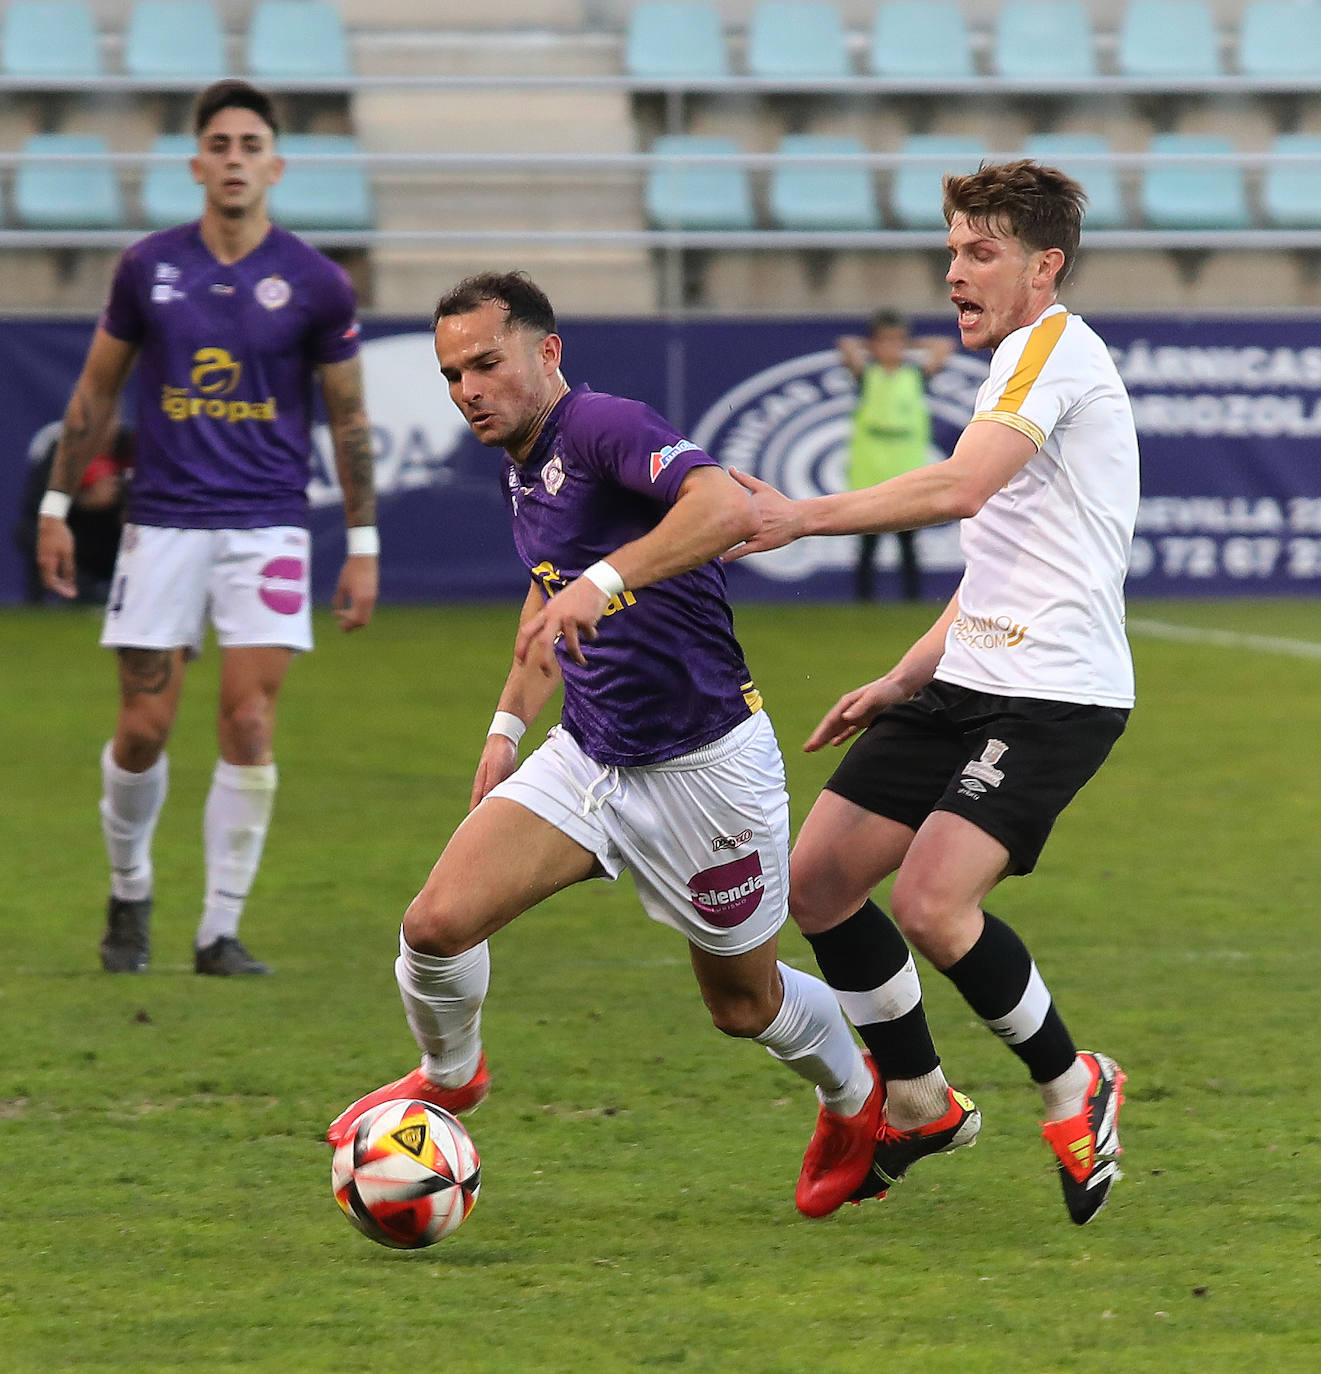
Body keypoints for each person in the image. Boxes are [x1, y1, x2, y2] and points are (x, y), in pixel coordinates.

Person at [326, 271, 884, 1219]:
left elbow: (723, 509)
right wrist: (508, 729)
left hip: (708, 770)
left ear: (547, 353)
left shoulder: (601, 425)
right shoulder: (519, 459)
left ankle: (857, 1098)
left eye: (485, 364)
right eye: (452, 372)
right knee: (433, 927)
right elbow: (549, 595)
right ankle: (451, 1078)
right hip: (590, 758)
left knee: (742, 1007)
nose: (467, 389)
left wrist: (604, 583)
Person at [728, 161, 1137, 1225]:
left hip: (1054, 695)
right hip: (965, 677)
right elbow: (997, 562)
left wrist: (797, 517)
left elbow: (956, 489)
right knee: (816, 880)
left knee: (931, 903)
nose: (953, 271)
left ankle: (1069, 1082)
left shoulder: (1057, 358)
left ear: (1043, 267)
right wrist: (901, 676)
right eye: (952, 248)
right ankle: (914, 1099)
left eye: (980, 252)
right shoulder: (1014, 363)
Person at [36, 79, 378, 977]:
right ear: (196, 163)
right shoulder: (148, 266)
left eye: (248, 144)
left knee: (250, 725)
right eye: (218, 145)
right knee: (143, 727)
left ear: (275, 163)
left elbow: (347, 418)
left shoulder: (314, 281)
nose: (233, 159)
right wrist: (55, 506)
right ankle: (130, 891)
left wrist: (364, 543)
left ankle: (218, 932)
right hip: (164, 525)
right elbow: (97, 392)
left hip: (268, 528)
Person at [836, 313, 953, 602]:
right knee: (868, 543)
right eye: (884, 342)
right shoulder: (867, 375)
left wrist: (908, 345)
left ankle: (911, 601)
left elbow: (945, 346)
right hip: (871, 469)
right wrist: (873, 346)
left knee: (909, 542)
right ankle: (864, 602)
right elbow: (846, 346)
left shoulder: (914, 375)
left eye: (897, 342)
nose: (891, 348)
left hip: (906, 469)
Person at [15, 419, 132, 604]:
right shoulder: (61, 454)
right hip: (72, 540)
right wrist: (82, 501)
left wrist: (126, 505)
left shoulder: (129, 450)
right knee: (33, 533)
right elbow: (33, 513)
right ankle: (69, 596)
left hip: (114, 543)